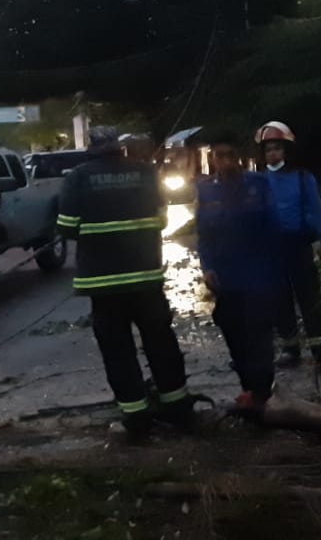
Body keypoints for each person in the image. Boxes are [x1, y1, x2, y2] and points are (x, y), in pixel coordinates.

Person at [57, 127, 193, 440]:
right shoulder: (146, 173)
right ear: (119, 147)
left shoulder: (77, 178)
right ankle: (178, 409)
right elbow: (161, 219)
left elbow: (67, 227)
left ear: (92, 148)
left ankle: (136, 417)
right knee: (161, 341)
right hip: (146, 277)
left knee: (118, 351)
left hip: (104, 284)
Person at [196, 132, 284, 412]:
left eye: (230, 156)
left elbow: (273, 227)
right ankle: (248, 387)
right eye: (219, 157)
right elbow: (204, 234)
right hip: (226, 277)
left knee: (259, 334)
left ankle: (262, 389)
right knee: (233, 332)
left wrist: (275, 269)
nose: (225, 162)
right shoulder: (207, 190)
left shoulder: (258, 185)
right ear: (213, 160)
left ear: (238, 158)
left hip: (258, 274)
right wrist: (207, 266)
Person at [254, 121, 321, 372]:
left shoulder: (303, 179)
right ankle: (290, 350)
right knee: (280, 302)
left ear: (286, 150)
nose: (273, 154)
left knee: (310, 300)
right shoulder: (258, 182)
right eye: (268, 149)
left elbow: (316, 209)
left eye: (277, 148)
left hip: (299, 247)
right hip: (272, 251)